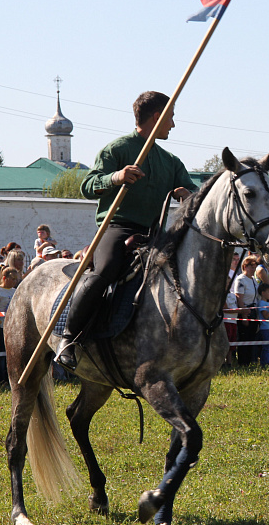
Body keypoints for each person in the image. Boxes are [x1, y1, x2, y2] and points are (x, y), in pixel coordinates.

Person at [55, 91, 198, 370]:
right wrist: (117, 177)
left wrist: (188, 194)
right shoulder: (117, 150)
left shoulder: (171, 161)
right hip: (118, 227)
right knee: (106, 270)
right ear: (156, 117)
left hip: (155, 233)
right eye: (170, 118)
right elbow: (87, 186)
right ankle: (68, 339)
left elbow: (195, 194)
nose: (173, 124)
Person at [0, 267, 19, 383]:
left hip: (12, 327)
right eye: (12, 278)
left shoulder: (14, 291)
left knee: (10, 354)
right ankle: (1, 379)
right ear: (4, 278)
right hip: (1, 327)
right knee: (1, 354)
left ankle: (9, 378)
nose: (14, 281)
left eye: (16, 279)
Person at [255, 283, 269, 367]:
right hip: (265, 327)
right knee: (266, 347)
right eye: (268, 292)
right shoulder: (261, 303)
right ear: (263, 293)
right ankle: (265, 363)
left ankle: (267, 362)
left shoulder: (268, 303)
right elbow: (266, 316)